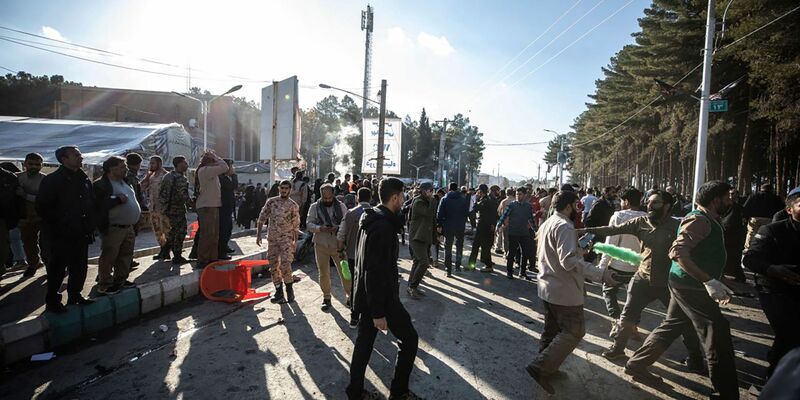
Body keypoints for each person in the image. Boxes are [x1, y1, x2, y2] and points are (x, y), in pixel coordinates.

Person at [626, 181, 739, 400]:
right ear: (716, 200)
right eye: (728, 197)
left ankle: (636, 364)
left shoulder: (709, 220)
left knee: (672, 325)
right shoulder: (698, 219)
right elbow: (678, 252)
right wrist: (709, 281)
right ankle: (727, 393)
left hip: (688, 283)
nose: (731, 200)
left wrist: (718, 278)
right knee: (717, 331)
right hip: (691, 286)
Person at [580, 190, 704, 367]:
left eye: (656, 203)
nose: (650, 206)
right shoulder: (641, 222)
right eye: (649, 202)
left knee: (682, 319)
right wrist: (584, 230)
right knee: (628, 315)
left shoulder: (677, 226)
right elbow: (613, 230)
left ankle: (696, 357)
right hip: (642, 278)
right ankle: (617, 349)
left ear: (667, 206)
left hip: (668, 281)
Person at [526, 190, 616, 394]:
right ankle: (541, 366)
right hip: (563, 291)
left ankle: (547, 368)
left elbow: (560, 254)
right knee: (574, 331)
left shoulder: (550, 222)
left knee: (552, 331)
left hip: (549, 288)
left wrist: (579, 251)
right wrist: (600, 273)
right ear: (567, 206)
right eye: (576, 205)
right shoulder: (565, 226)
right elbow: (568, 261)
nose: (578, 209)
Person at [347, 178, 421, 400]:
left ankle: (355, 391)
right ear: (395, 197)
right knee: (409, 340)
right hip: (381, 299)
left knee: (364, 345)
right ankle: (399, 392)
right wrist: (378, 312)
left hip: (368, 296)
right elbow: (374, 271)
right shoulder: (383, 227)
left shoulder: (370, 218)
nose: (404, 199)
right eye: (403, 196)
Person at [742, 186, 800, 380]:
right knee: (790, 332)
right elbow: (750, 259)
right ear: (790, 209)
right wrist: (773, 270)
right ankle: (774, 377)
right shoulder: (772, 230)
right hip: (774, 290)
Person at [36, 146, 96, 312]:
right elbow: (42, 208)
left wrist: (89, 225)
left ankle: (75, 295)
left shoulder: (83, 179)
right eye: (76, 155)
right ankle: (53, 302)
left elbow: (89, 203)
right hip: (60, 234)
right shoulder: (52, 180)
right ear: (64, 159)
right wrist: (63, 223)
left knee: (79, 267)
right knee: (57, 269)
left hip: (81, 232)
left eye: (80, 155)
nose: (81, 158)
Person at [594, 187, 648, 320]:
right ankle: (632, 324)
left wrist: (602, 266)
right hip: (639, 267)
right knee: (634, 299)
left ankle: (617, 320)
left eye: (622, 200)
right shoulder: (647, 218)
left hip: (617, 267)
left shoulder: (619, 216)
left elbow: (611, 243)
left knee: (608, 291)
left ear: (627, 201)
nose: (620, 203)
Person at [94, 156, 140, 294]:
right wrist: (116, 200)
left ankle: (120, 280)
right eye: (122, 167)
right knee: (109, 256)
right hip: (114, 227)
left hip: (128, 227)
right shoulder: (101, 185)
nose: (126, 169)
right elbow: (98, 205)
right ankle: (105, 284)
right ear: (111, 169)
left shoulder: (125, 182)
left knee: (125, 255)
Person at [307, 183, 351, 311]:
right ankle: (326, 298)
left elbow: (347, 222)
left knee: (345, 272)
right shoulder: (314, 207)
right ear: (321, 195)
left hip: (338, 245)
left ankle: (350, 296)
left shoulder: (341, 206)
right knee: (323, 273)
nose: (327, 200)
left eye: (329, 198)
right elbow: (309, 223)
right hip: (321, 243)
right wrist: (320, 228)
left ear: (333, 195)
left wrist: (337, 228)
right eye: (325, 198)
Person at [256, 180, 300, 304]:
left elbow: (296, 226)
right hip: (273, 240)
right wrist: (258, 235)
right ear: (279, 188)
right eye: (282, 188)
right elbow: (261, 219)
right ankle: (278, 291)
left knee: (285, 264)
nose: (284, 190)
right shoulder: (271, 202)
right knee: (273, 265)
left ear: (290, 190)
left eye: (286, 188)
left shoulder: (293, 206)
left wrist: (295, 242)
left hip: (286, 240)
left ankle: (290, 290)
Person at [338, 187, 373, 328]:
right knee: (369, 286)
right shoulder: (375, 213)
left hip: (353, 256)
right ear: (371, 198)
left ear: (357, 198)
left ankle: (354, 317)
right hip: (371, 256)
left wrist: (340, 250)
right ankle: (369, 316)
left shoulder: (350, 213)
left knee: (355, 287)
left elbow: (341, 234)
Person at [194, 151, 229, 268]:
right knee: (207, 234)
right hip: (206, 206)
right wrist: (216, 156)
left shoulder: (209, 172)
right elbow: (225, 167)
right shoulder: (205, 170)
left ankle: (212, 259)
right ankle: (203, 259)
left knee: (214, 235)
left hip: (212, 205)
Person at [16, 153, 46, 277]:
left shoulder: (45, 179)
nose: (34, 167)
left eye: (37, 164)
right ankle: (33, 264)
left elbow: (43, 199)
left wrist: (25, 196)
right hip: (26, 216)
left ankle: (50, 264)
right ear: (25, 164)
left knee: (46, 242)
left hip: (43, 215)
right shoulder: (17, 178)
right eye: (31, 164)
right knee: (28, 242)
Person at [497, 187, 537, 279]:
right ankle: (509, 272)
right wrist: (498, 225)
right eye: (517, 194)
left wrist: (535, 230)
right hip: (513, 232)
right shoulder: (512, 205)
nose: (518, 196)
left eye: (520, 194)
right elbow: (504, 216)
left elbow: (531, 220)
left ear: (524, 195)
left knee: (525, 253)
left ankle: (522, 272)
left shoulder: (528, 206)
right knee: (512, 253)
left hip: (524, 233)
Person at [159, 156, 191, 265]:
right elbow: (183, 195)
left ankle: (165, 251)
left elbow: (162, 193)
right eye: (184, 163)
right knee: (180, 232)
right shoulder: (180, 178)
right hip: (177, 209)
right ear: (179, 164)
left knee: (172, 231)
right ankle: (177, 256)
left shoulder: (167, 176)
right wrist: (192, 203)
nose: (186, 165)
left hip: (167, 209)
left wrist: (163, 207)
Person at [406, 182, 436, 299]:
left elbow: (432, 220)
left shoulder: (425, 201)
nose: (432, 193)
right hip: (416, 237)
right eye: (430, 191)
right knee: (424, 262)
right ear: (424, 191)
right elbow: (428, 214)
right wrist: (433, 201)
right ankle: (412, 286)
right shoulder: (419, 202)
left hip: (422, 236)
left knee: (417, 262)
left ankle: (411, 286)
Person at [141, 155, 170, 260]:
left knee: (166, 229)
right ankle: (162, 249)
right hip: (153, 208)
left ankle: (167, 250)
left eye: (153, 163)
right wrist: (147, 177)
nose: (151, 165)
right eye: (150, 163)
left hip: (163, 208)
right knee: (157, 230)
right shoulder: (151, 176)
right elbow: (142, 187)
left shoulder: (166, 175)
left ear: (159, 163)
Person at [743, 183, 784, 251]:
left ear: (761, 189)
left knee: (752, 234)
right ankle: (764, 249)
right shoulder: (776, 198)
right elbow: (780, 209)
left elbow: (746, 207)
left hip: (755, 219)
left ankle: (748, 249)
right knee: (766, 235)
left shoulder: (753, 196)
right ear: (771, 189)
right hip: (769, 219)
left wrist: (745, 217)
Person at [471, 184, 499, 272]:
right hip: (484, 226)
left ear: (481, 191)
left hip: (484, 227)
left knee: (483, 246)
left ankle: (488, 265)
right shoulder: (486, 199)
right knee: (478, 246)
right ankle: (472, 265)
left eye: (478, 191)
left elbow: (475, 208)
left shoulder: (485, 200)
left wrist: (476, 200)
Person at [721, 188, 747, 282]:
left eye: (734, 194)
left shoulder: (739, 208)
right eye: (730, 194)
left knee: (734, 256)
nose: (732, 196)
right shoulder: (723, 207)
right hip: (726, 235)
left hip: (734, 237)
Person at [0, 163, 21, 279]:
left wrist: (14, 218)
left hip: (3, 218)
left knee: (3, 246)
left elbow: (15, 200)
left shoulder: (8, 177)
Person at [218, 159, 237, 259]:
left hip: (228, 207)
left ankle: (225, 246)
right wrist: (234, 175)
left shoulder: (225, 177)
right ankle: (221, 251)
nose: (233, 169)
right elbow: (234, 186)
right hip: (223, 207)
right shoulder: (221, 178)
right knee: (223, 230)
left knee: (228, 229)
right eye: (231, 166)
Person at [494, 188, 515, 255]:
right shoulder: (516, 201)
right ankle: (512, 253)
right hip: (515, 223)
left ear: (506, 193)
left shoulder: (503, 202)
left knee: (506, 239)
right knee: (514, 240)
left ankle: (506, 253)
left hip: (505, 223)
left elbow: (499, 212)